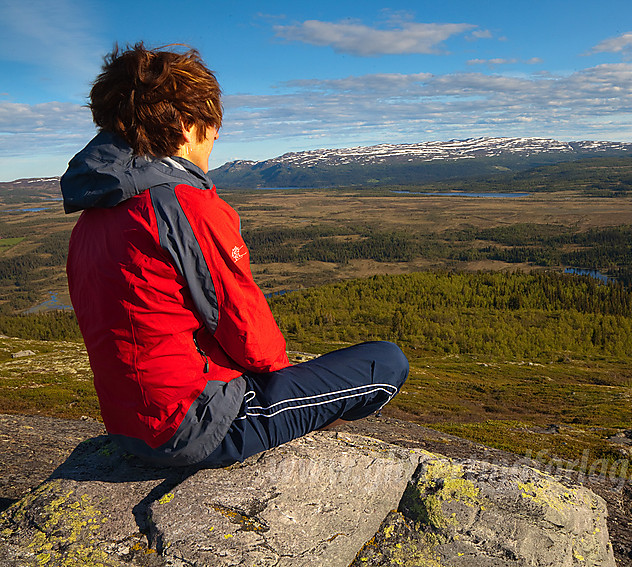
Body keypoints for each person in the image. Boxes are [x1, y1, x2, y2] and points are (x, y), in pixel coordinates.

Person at [61, 43, 408, 467]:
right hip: (197, 425)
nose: (213, 144)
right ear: (189, 126)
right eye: (212, 130)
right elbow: (248, 333)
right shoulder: (181, 204)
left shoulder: (93, 217)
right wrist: (287, 386)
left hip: (130, 427)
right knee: (386, 361)